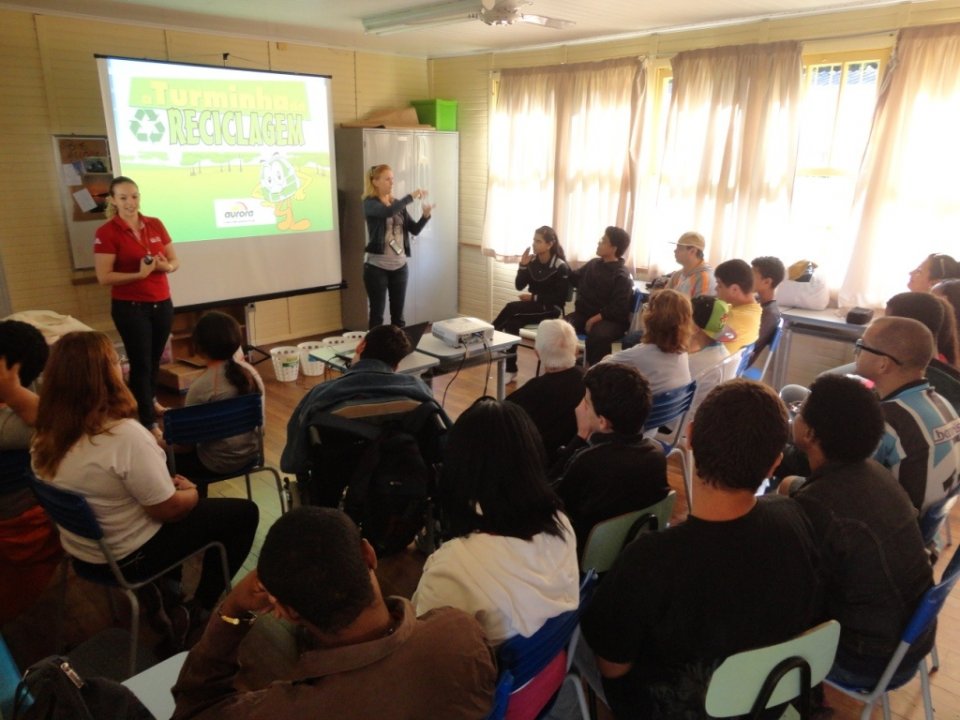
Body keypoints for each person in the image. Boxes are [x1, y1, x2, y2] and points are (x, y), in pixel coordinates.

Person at [581, 380, 820, 718]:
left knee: (576, 644)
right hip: (770, 701)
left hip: (673, 709)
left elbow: (613, 668)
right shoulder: (794, 517)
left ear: (690, 437)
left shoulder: (650, 559)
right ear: (774, 464)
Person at [31, 331, 259, 636]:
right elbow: (169, 511)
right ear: (107, 376)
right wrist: (191, 493)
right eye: (115, 361)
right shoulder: (123, 437)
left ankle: (169, 587)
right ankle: (200, 608)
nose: (121, 367)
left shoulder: (44, 437)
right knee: (244, 514)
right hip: (130, 559)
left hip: (85, 554)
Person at [172, 507, 497, 720]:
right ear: (368, 555)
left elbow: (196, 710)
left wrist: (233, 610)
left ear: (285, 612)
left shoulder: (285, 711)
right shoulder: (460, 632)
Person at [787, 374, 934, 688]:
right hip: (911, 641)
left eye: (799, 410)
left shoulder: (819, 506)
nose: (796, 415)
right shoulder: (877, 473)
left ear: (810, 433)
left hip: (866, 662)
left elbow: (798, 595)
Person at [413, 398, 580, 646]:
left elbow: (422, 648)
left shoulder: (451, 568)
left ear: (458, 467)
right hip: (547, 667)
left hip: (491, 682)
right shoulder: (561, 523)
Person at [280, 324, 441, 478]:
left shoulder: (321, 395)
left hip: (337, 479)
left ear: (361, 346)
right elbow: (442, 439)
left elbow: (294, 458)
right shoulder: (419, 391)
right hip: (403, 481)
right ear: (397, 365)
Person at [551, 363, 668, 556]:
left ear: (603, 422)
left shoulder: (589, 461)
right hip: (628, 552)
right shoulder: (656, 454)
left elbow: (548, 501)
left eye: (586, 402)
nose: (581, 406)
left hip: (580, 555)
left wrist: (580, 436)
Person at [94, 175, 179, 438]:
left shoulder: (155, 224)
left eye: (134, 196)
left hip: (161, 302)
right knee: (141, 363)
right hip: (131, 307)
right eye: (123, 198)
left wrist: (166, 267)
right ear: (113, 200)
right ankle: (147, 422)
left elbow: (174, 261)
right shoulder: (106, 232)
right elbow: (104, 277)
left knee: (154, 360)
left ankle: (149, 400)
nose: (130, 202)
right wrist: (138, 275)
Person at [853, 317, 960, 515]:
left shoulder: (884, 421)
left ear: (883, 364)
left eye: (861, 345)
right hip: (926, 531)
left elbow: (844, 481)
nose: (856, 351)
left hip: (888, 534)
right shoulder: (944, 404)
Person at [0, 320, 61, 623]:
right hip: (25, 529)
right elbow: (56, 421)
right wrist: (13, 390)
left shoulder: (13, 423)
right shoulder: (17, 424)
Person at [172, 312, 265, 496]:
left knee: (165, 458)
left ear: (199, 346)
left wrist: (159, 441)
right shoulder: (251, 374)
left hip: (214, 464)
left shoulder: (200, 388)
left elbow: (186, 446)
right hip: (252, 455)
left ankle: (195, 505)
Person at [492, 226, 570, 383]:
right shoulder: (533, 261)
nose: (534, 244)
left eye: (538, 241)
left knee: (511, 307)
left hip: (550, 310)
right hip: (533, 307)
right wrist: (523, 266)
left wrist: (534, 297)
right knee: (513, 323)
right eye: (534, 240)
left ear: (549, 244)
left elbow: (559, 298)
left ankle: (490, 335)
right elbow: (519, 286)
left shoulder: (560, 266)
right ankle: (511, 369)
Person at [506, 319, 585, 467]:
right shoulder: (591, 382)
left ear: (537, 354)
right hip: (574, 462)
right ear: (576, 350)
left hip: (535, 466)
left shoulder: (529, 393)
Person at [362, 164, 432, 329]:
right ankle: (374, 350)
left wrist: (425, 216)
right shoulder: (370, 203)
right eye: (387, 179)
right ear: (375, 182)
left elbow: (414, 229)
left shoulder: (397, 204)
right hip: (376, 267)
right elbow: (387, 212)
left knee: (398, 317)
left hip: (400, 266)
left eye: (392, 179)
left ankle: (398, 349)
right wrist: (411, 196)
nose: (391, 183)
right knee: (377, 315)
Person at [565, 226, 635, 366]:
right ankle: (565, 368)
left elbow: (618, 308)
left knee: (599, 336)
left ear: (613, 248)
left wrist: (595, 319)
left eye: (603, 241)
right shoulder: (593, 264)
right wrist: (560, 261)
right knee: (561, 328)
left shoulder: (622, 275)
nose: (599, 242)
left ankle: (596, 371)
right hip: (584, 314)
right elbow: (574, 278)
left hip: (610, 320)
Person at [602, 289, 692, 395]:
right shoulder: (683, 354)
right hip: (669, 410)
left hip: (641, 409)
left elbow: (594, 372)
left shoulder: (637, 355)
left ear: (651, 318)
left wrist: (608, 357)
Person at [714, 258, 762, 355]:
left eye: (719, 285)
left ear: (734, 289)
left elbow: (702, 340)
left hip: (714, 368)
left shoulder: (737, 317)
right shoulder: (752, 309)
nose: (715, 288)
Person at [748, 256, 785, 367]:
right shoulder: (757, 302)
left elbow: (748, 344)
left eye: (752, 275)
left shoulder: (769, 313)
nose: (747, 278)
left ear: (767, 282)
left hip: (738, 362)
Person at [663, 231, 715, 298]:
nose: (675, 251)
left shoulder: (705, 278)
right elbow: (663, 299)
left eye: (679, 248)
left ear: (693, 251)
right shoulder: (678, 274)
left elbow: (699, 308)